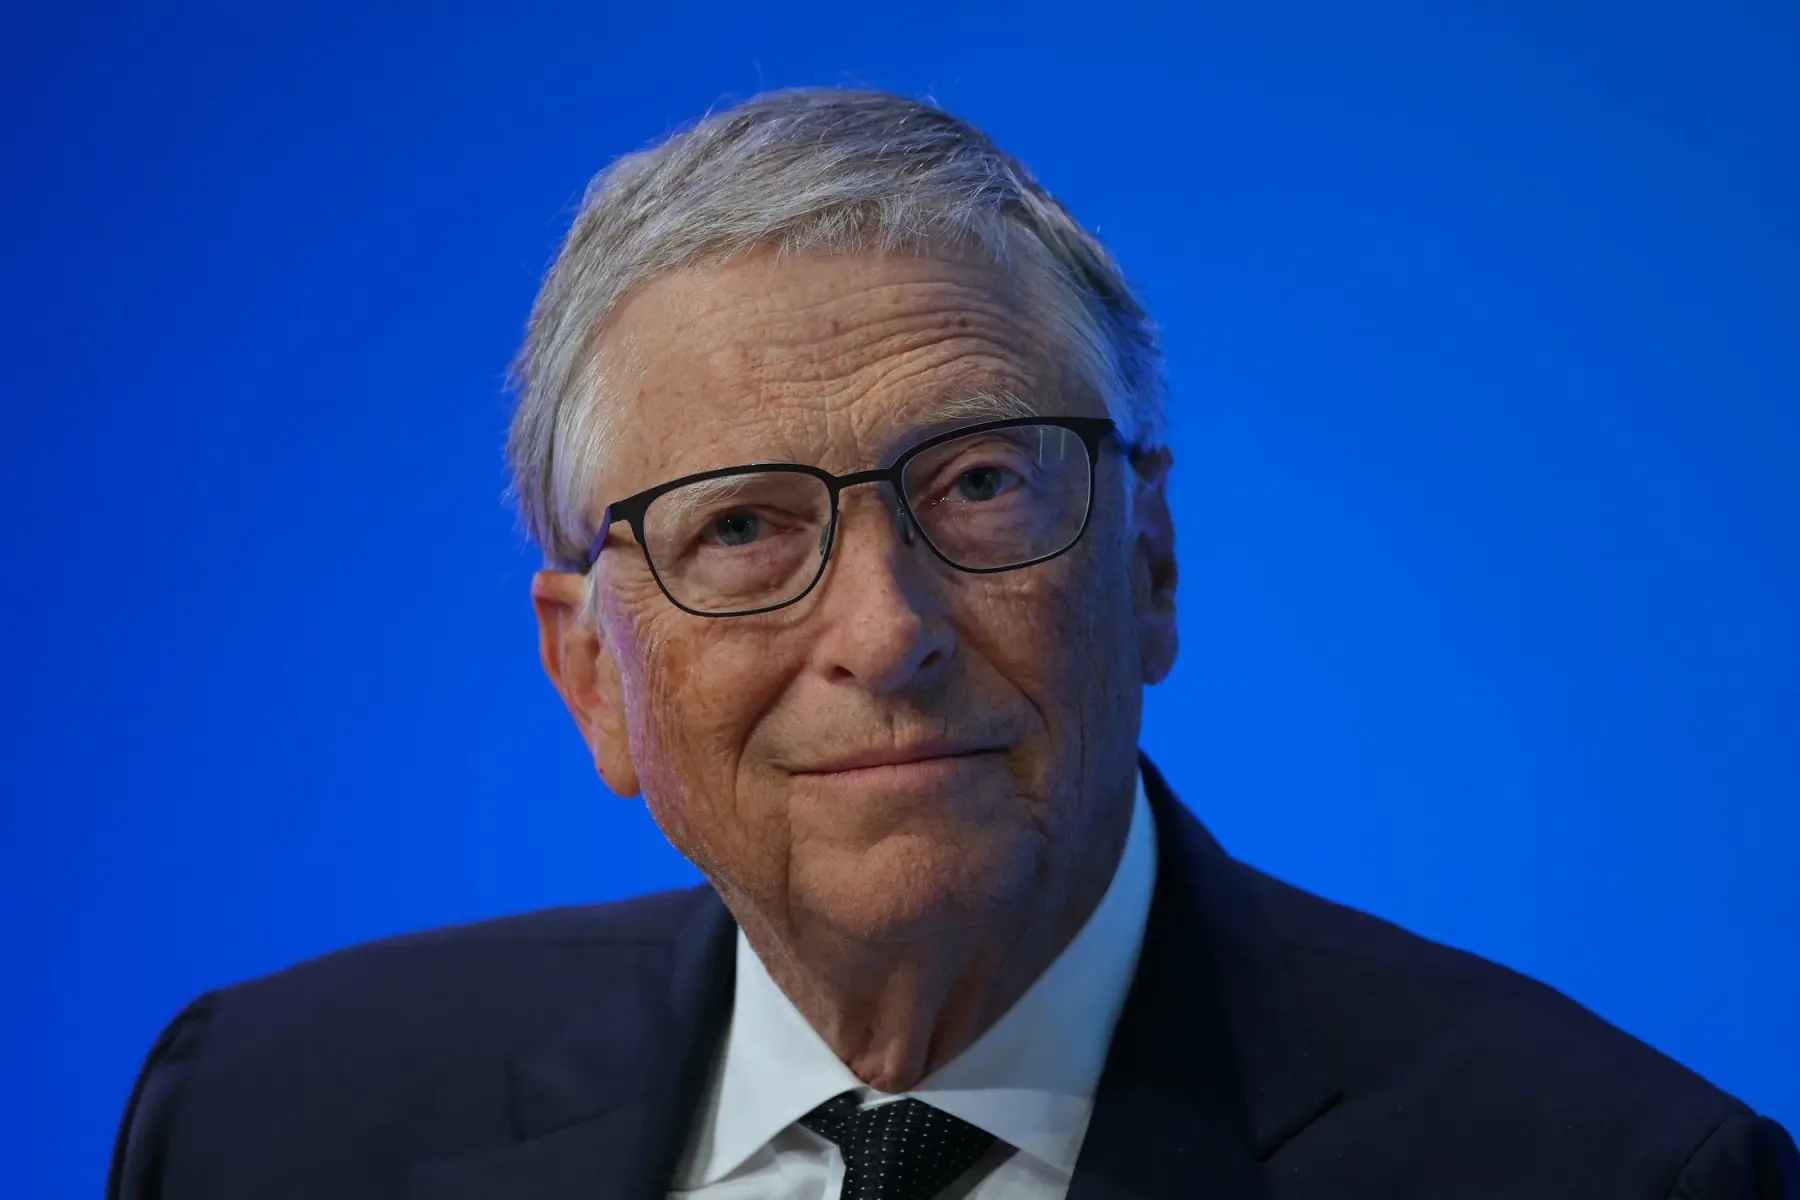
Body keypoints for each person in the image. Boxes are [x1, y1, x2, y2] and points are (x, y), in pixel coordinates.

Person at [109, 87, 1797, 1200]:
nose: (886, 631)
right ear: (592, 678)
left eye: (981, 484)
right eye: (743, 527)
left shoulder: (1617, 1175)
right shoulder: (262, 1124)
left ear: (1149, 565)